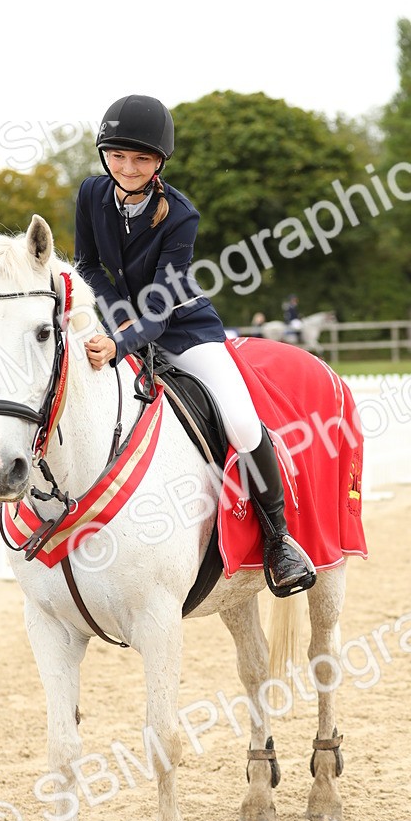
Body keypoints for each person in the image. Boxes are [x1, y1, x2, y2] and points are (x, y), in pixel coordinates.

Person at [76, 95, 315, 596]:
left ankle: (279, 540)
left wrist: (121, 345)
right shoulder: (91, 193)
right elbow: (89, 266)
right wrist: (119, 324)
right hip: (121, 322)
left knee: (242, 420)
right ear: (104, 155)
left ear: (160, 161)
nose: (128, 167)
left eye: (141, 159)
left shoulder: (181, 215)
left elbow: (161, 307)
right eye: (118, 156)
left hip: (184, 329)